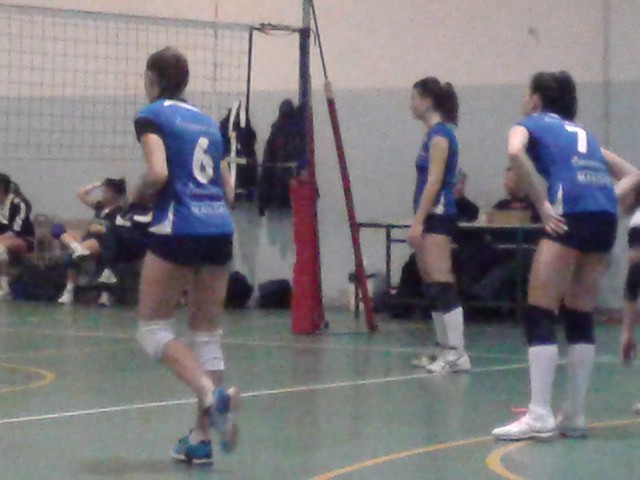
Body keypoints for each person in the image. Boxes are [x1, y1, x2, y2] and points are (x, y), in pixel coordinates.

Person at [491, 71, 637, 441]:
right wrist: (605, 197)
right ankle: (574, 414)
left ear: (536, 99)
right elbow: (633, 174)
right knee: (579, 311)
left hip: (568, 212)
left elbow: (514, 152)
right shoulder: (582, 134)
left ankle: (539, 414)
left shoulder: (530, 124)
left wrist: (542, 203)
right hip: (603, 218)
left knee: (540, 309)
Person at [132, 47, 239, 465]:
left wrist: (138, 193)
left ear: (151, 78)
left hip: (178, 227)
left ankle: (210, 394)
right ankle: (200, 439)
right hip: (219, 230)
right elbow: (229, 192)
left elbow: (158, 173)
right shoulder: (209, 123)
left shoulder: (152, 116)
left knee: (152, 329)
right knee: (207, 334)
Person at [407, 76, 471, 374]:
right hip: (428, 214)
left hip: (439, 214)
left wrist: (418, 221)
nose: (411, 104)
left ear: (428, 100)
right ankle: (443, 348)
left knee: (441, 279)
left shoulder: (441, 136)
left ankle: (458, 352)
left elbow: (434, 181)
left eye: (414, 98)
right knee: (431, 282)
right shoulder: (430, 135)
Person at [51, 178, 127, 305]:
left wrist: (101, 229)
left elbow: (119, 231)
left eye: (107, 192)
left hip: (103, 242)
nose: (103, 194)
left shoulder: (120, 211)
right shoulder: (100, 206)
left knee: (73, 255)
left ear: (116, 194)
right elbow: (80, 193)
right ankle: (76, 247)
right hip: (88, 238)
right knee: (56, 229)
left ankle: (69, 290)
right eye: (103, 191)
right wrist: (98, 184)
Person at [0, 174, 35, 300]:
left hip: (23, 239)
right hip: (3, 239)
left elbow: (16, 230)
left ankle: (4, 289)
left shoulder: (19, 203)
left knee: (0, 248)